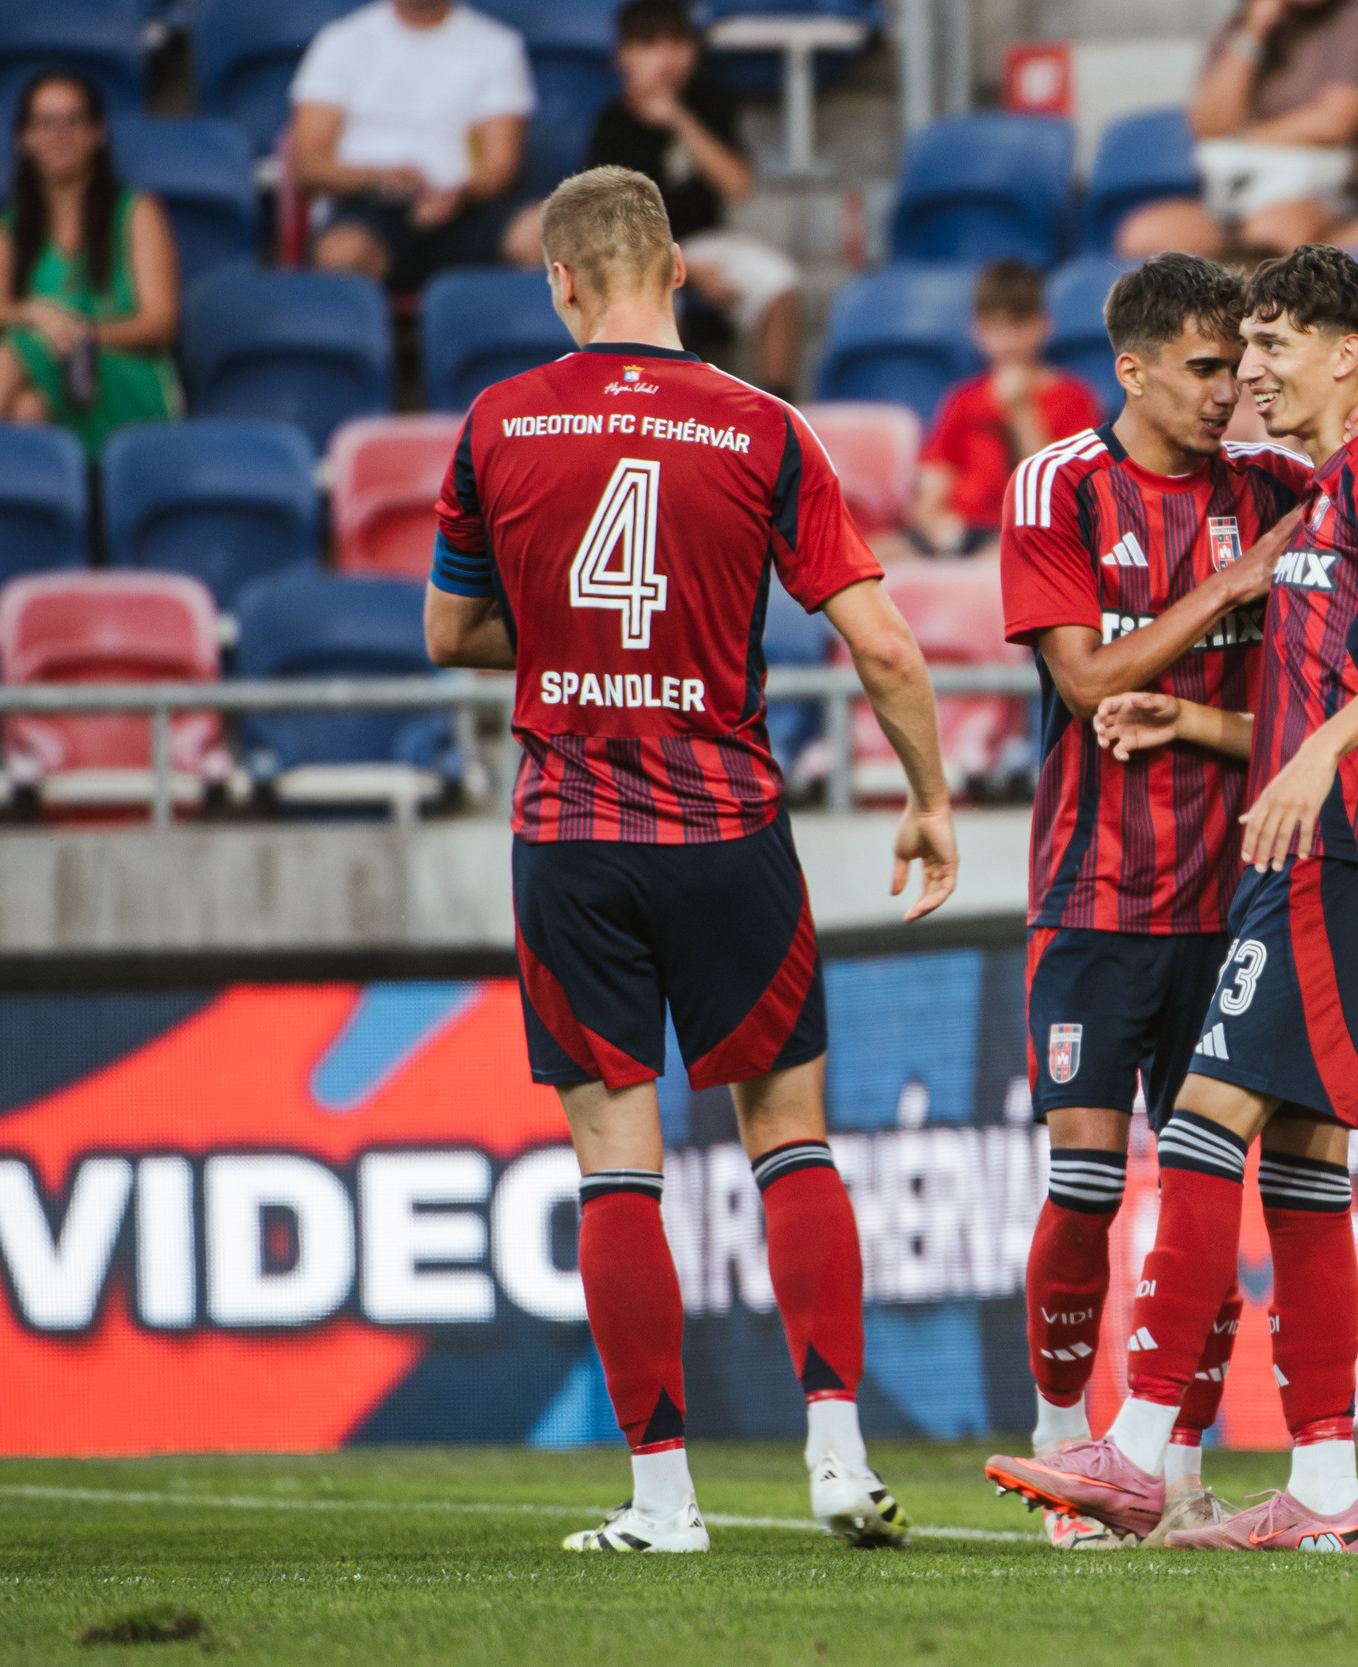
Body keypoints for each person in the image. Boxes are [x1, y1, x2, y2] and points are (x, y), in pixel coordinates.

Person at [424, 166, 957, 1554]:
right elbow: (885, 644)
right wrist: (928, 796)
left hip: (569, 837)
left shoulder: (496, 421)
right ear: (678, 268)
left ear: (558, 281)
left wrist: (571, 645)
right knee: (791, 1138)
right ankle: (836, 1455)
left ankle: (663, 1500)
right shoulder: (762, 424)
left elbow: (449, 632)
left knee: (617, 1166)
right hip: (729, 827)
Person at [987, 245, 1358, 1553]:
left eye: (1269, 345)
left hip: (1326, 843)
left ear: (1345, 354)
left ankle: (1140, 1452)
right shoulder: (1333, 478)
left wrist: (1315, 759)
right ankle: (1323, 1490)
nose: (1248, 375)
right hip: (1256, 853)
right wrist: (1204, 722)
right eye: (1232, 350)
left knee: (1204, 1129)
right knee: (1303, 1171)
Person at [585, 0, 801, 398]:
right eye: (649, 45)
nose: (666, 58)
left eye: (678, 43)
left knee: (777, 281)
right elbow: (609, 230)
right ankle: (665, 407)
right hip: (638, 255)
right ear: (622, 57)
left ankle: (780, 405)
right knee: (655, 303)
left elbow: (738, 186)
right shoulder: (611, 126)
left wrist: (679, 120)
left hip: (705, 238)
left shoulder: (709, 105)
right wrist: (690, 270)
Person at [0, 74, 181, 456]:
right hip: (50, 374)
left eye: (73, 120)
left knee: (20, 345)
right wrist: (36, 314)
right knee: (27, 410)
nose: (59, 135)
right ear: (24, 139)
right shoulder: (7, 227)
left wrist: (79, 335)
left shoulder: (137, 212)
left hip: (125, 372)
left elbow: (160, 322)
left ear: (97, 134)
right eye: (45, 123)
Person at [1116, 0, 1358, 259]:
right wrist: (1254, 32)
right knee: (1145, 235)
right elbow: (1208, 123)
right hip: (1236, 199)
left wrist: (1246, 139)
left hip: (1335, 198)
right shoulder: (1240, 24)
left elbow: (1335, 123)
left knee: (1269, 236)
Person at [290, 0, 537, 289]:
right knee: (342, 255)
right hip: (368, 206)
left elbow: (500, 167)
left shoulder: (497, 45)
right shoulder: (341, 41)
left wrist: (456, 194)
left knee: (548, 234)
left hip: (468, 206)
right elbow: (308, 165)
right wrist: (381, 178)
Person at [910, 261, 1102, 558]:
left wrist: (1022, 409)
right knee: (875, 558)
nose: (1006, 341)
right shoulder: (963, 398)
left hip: (1025, 533)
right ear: (976, 329)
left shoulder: (1075, 398)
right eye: (993, 327)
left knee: (994, 563)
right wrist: (934, 527)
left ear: (1044, 324)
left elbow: (1055, 494)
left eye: (1017, 325)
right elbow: (934, 480)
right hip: (959, 529)